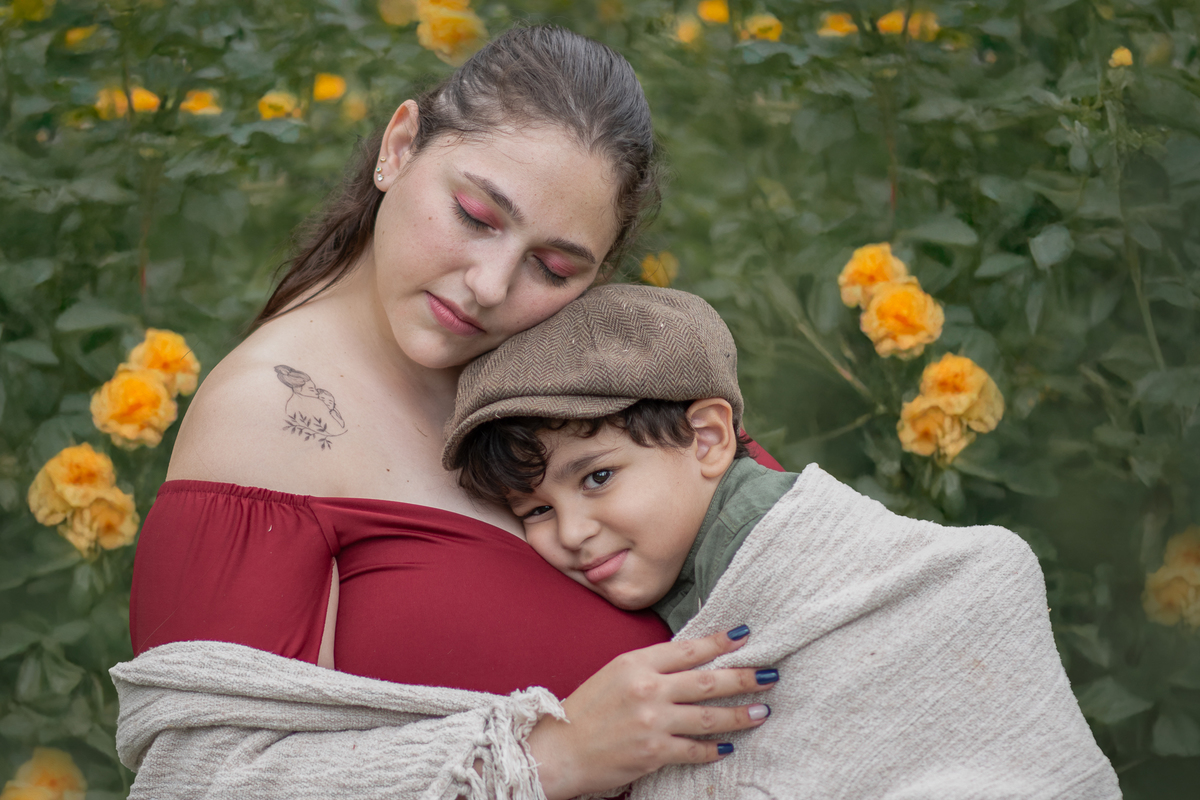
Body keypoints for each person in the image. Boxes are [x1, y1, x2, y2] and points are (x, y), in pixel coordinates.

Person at [119, 26, 776, 800]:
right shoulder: (266, 418)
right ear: (397, 148)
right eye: (475, 214)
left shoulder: (601, 369)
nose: (492, 286)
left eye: (553, 266)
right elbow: (197, 781)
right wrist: (544, 758)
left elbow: (790, 549)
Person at [443, 284, 1123, 799]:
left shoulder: (861, 567)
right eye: (532, 510)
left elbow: (977, 592)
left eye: (597, 476)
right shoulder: (670, 590)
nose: (571, 533)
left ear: (706, 438)